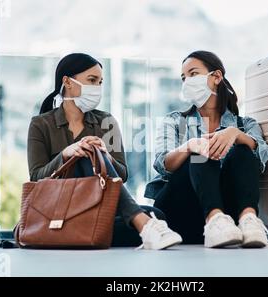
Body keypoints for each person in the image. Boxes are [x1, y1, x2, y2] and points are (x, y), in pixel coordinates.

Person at [28, 53, 182, 250]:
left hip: (98, 206)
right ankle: (140, 223)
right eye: (92, 80)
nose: (97, 87)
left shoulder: (106, 122)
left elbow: (123, 174)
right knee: (85, 154)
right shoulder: (41, 124)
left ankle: (79, 233)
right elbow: (35, 178)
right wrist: (66, 154)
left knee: (157, 214)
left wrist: (106, 156)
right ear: (67, 82)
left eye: (100, 82)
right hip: (60, 209)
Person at [147, 51, 268, 248]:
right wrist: (190, 146)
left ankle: (249, 222)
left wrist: (236, 135)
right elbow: (162, 164)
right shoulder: (175, 120)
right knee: (200, 152)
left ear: (216, 77)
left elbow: (262, 157)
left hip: (230, 217)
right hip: (182, 209)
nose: (187, 81)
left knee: (243, 150)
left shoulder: (245, 124)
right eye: (183, 77)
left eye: (193, 74)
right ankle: (214, 219)